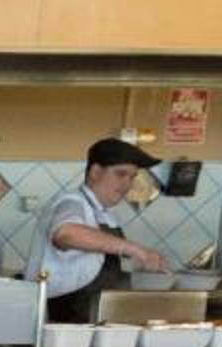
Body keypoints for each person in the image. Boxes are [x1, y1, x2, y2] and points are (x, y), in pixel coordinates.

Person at [31, 136, 176, 321]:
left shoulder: (103, 214)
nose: (127, 184)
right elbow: (66, 233)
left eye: (132, 177)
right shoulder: (72, 202)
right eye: (120, 174)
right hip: (62, 322)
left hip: (93, 320)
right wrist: (136, 250)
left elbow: (102, 271)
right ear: (95, 172)